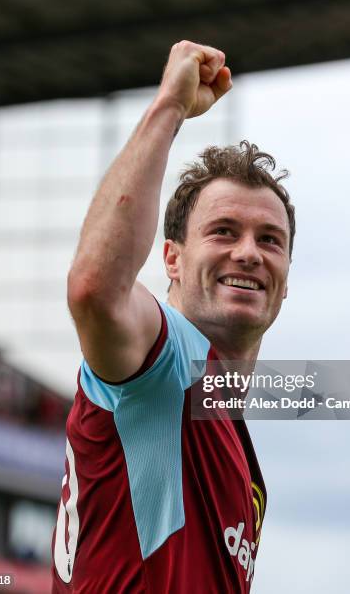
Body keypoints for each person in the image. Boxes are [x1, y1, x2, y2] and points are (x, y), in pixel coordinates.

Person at [51, 40, 295, 593]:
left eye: (270, 240)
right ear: (172, 259)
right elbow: (95, 289)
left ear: (286, 281)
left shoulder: (222, 420)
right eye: (223, 231)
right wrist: (169, 108)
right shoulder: (165, 361)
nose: (249, 253)